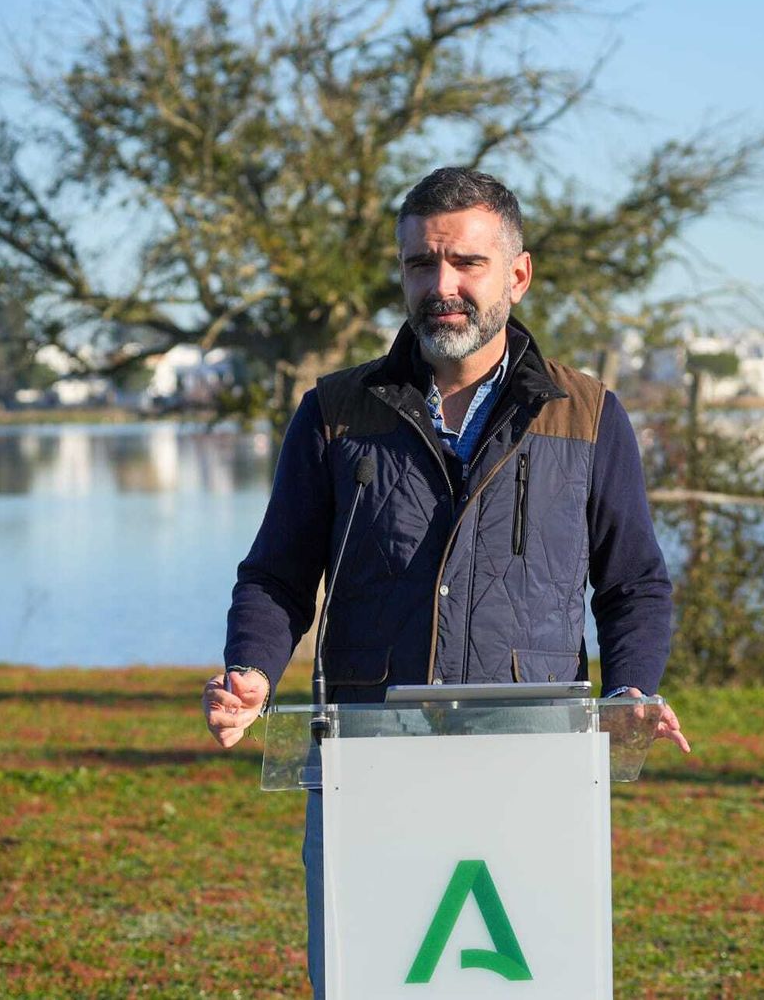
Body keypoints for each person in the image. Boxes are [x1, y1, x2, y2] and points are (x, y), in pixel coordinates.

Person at [202, 166, 688, 990]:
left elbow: (634, 583)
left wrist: (630, 689)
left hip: (534, 769)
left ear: (518, 274)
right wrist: (250, 667)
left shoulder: (590, 415)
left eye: (466, 262)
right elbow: (276, 574)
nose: (442, 286)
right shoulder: (333, 413)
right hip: (370, 767)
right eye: (421, 264)